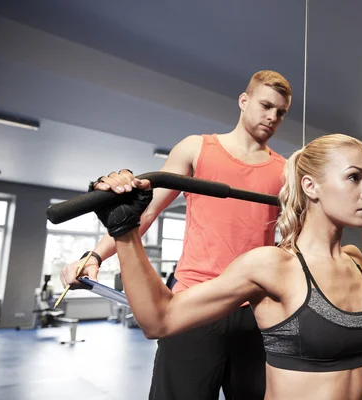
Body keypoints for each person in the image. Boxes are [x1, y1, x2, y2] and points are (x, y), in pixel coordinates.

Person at [89, 133, 362, 400]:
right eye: (354, 178)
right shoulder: (273, 266)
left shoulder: (353, 260)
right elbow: (159, 320)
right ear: (310, 187)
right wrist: (125, 232)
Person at [60, 70, 293, 400]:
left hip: (253, 310)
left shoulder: (284, 171)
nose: (272, 117)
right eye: (266, 105)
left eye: (281, 112)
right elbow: (145, 212)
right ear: (244, 101)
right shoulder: (197, 148)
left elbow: (293, 239)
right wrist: (96, 255)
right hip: (193, 304)